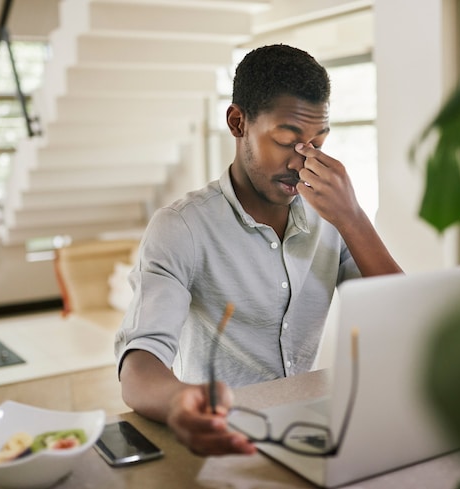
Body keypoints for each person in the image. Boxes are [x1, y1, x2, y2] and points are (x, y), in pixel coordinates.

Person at [114, 44, 402, 457]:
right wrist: (178, 400)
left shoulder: (332, 218)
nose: (304, 162)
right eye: (287, 141)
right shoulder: (181, 227)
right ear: (237, 123)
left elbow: (402, 316)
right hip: (224, 436)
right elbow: (139, 364)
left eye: (318, 142)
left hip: (307, 431)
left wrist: (353, 218)